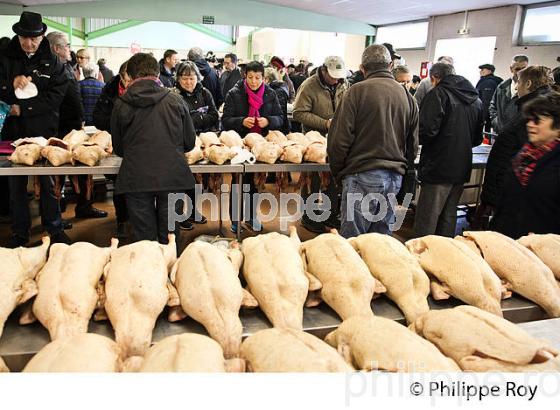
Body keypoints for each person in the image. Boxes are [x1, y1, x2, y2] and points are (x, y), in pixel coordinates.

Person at [328, 45, 418, 238]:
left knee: (353, 241)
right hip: (394, 177)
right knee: (381, 243)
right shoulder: (408, 98)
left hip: (362, 175)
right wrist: (405, 173)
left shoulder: (355, 93)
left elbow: (339, 141)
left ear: (362, 68)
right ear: (391, 64)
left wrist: (338, 174)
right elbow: (413, 145)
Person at [111, 53, 196, 247]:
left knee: (144, 240)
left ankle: (149, 275)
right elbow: (189, 143)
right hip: (172, 176)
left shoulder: (121, 104)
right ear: (157, 72)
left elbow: (119, 148)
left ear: (130, 76)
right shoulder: (176, 101)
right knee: (170, 237)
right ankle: (169, 273)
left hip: (136, 177)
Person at [0, 11, 70, 247]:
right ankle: (20, 232)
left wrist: (24, 109)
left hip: (43, 132)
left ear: (42, 36)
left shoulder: (54, 61)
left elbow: (55, 97)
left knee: (48, 182)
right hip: (12, 132)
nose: (28, 43)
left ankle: (54, 228)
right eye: (24, 38)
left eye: (34, 38)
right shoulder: (4, 57)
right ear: (18, 35)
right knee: (16, 186)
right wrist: (10, 84)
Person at [476, 66, 553, 228]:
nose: (531, 125)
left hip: (514, 210)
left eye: (520, 82)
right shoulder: (529, 107)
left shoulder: (538, 108)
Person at [413, 63, 484, 238]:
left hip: (438, 166)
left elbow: (425, 131)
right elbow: (477, 138)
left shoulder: (438, 94)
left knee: (427, 218)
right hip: (462, 166)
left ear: (434, 78)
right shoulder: (476, 99)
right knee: (448, 216)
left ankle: (419, 257)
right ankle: (444, 258)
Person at [222, 61, 283, 234]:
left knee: (254, 183)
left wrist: (269, 121)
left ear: (263, 78)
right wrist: (240, 121)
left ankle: (250, 216)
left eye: (257, 78)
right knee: (238, 182)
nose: (254, 81)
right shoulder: (234, 94)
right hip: (240, 145)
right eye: (250, 77)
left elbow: (281, 118)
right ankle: (235, 219)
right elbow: (225, 120)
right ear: (245, 76)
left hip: (261, 146)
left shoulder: (270, 94)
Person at [491, 92, 560, 238]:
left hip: (541, 249)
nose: (529, 124)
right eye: (529, 119)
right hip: (508, 240)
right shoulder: (523, 155)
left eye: (537, 120)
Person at [293, 55, 349, 233]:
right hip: (313, 139)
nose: (335, 79)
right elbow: (299, 113)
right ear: (323, 70)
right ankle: (309, 217)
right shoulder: (309, 85)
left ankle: (330, 216)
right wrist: (325, 123)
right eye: (332, 75)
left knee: (333, 179)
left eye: (338, 76)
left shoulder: (344, 84)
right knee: (312, 180)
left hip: (336, 139)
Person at [173, 60, 219, 230]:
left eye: (191, 78)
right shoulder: (174, 96)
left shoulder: (205, 93)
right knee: (180, 180)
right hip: (182, 144)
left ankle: (192, 211)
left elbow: (214, 115)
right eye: (184, 78)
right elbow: (177, 121)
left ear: (197, 78)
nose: (188, 82)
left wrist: (195, 119)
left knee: (197, 180)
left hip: (204, 143)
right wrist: (196, 120)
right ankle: (178, 216)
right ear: (178, 79)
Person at [93, 60, 131, 239]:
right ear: (121, 77)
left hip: (140, 144)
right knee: (120, 184)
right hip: (116, 144)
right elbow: (98, 118)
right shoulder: (109, 91)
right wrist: (117, 122)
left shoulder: (148, 89)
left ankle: (139, 218)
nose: (130, 82)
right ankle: (122, 219)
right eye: (127, 78)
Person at [489, 55, 529, 133]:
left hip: (519, 135)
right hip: (501, 132)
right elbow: (493, 106)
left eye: (523, 69)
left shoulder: (530, 89)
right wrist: (496, 122)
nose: (520, 72)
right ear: (511, 69)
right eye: (517, 69)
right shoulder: (502, 86)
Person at [476, 64, 503, 132]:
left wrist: (483, 117)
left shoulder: (489, 82)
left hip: (487, 116)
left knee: (486, 135)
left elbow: (487, 101)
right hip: (491, 115)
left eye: (483, 69)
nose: (480, 71)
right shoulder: (489, 81)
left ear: (490, 71)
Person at [264, 67, 290, 134]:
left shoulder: (277, 91)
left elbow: (279, 112)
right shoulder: (278, 88)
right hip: (278, 127)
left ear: (267, 79)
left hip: (279, 129)